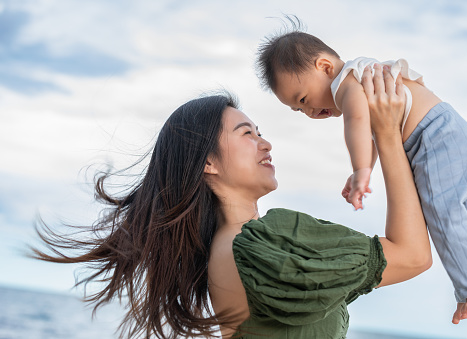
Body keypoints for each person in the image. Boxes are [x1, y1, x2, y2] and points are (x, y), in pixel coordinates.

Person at [31, 66, 430, 339]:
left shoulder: (231, 248)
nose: (265, 142)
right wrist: (387, 133)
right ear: (208, 162)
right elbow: (413, 256)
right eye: (246, 133)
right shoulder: (260, 244)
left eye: (260, 131)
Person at [255, 23, 467, 324]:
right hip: (456, 136)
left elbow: (357, 123)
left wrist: (361, 170)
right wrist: (364, 167)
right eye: (298, 109)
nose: (307, 111)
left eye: (304, 98)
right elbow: (373, 133)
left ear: (324, 66)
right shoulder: (362, 80)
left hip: (437, 139)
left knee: (442, 208)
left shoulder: (347, 85)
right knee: (463, 215)